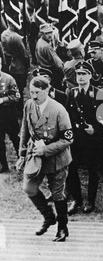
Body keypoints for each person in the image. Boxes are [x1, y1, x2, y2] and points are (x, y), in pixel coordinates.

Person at [16, 77, 73, 242]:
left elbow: (68, 139)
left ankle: (62, 228)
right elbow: (25, 129)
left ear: (47, 90)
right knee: (29, 188)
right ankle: (49, 216)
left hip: (56, 159)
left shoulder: (59, 110)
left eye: (37, 93)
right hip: (35, 157)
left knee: (57, 194)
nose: (34, 96)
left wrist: (46, 150)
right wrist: (21, 154)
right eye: (31, 92)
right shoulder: (29, 105)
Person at [66, 61, 103, 215]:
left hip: (92, 139)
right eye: (78, 74)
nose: (80, 77)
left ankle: (90, 200)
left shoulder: (99, 94)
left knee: (92, 170)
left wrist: (95, 128)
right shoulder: (72, 93)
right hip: (76, 138)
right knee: (72, 168)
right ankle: (76, 199)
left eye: (84, 74)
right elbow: (67, 116)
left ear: (90, 76)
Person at [0, 56, 20, 173]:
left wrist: (3, 100)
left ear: (1, 65)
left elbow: (17, 97)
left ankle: (21, 160)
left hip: (8, 114)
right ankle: (3, 164)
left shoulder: (8, 79)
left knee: (15, 138)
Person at [35, 23, 64, 89]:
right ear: (42, 34)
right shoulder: (46, 47)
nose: (50, 35)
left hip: (43, 69)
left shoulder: (39, 41)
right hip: (51, 71)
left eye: (50, 32)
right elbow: (59, 64)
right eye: (47, 33)